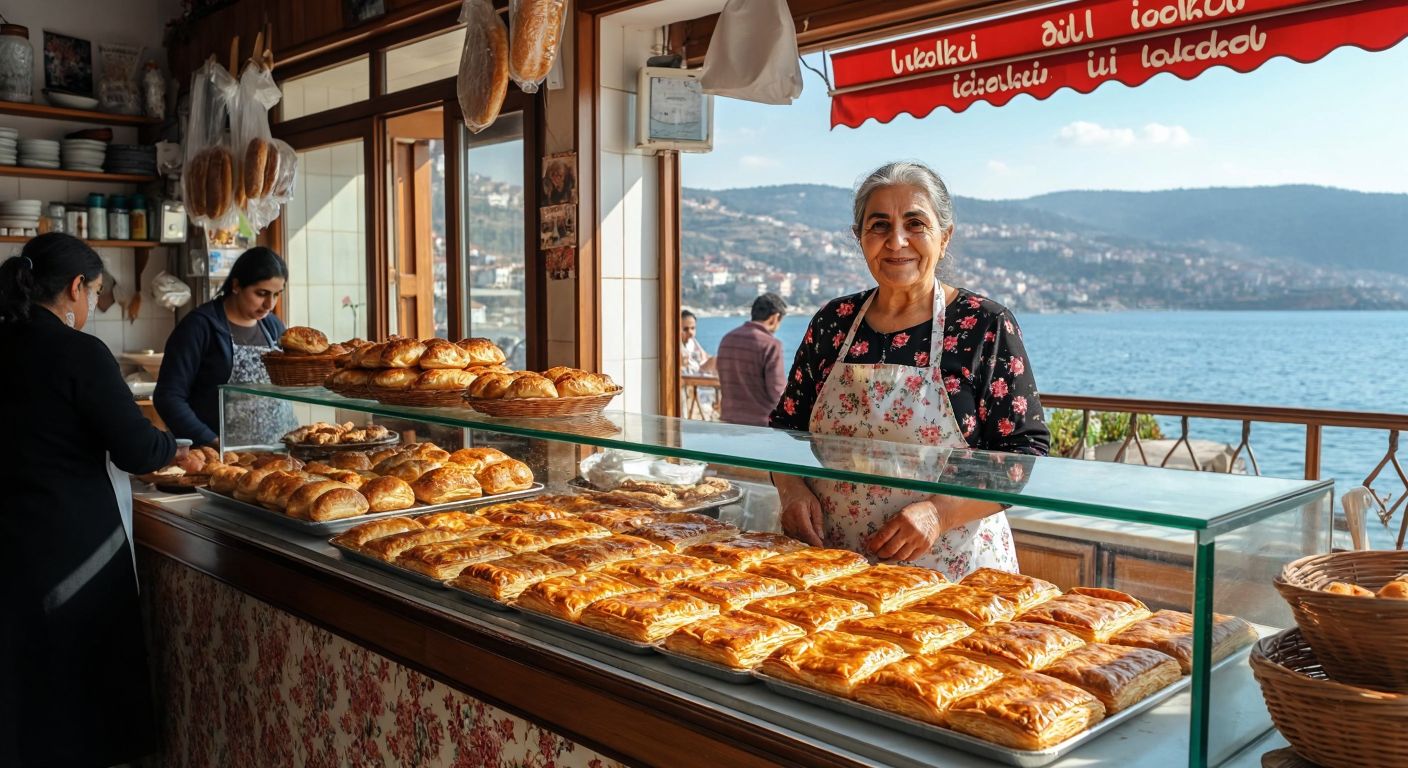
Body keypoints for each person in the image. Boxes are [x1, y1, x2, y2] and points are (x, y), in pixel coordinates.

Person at [769, 161, 1050, 581]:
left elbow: (1021, 455)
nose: (896, 241)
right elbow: (785, 428)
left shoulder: (983, 324)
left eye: (915, 224)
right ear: (859, 237)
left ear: (944, 236)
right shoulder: (833, 321)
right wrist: (791, 490)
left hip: (951, 573)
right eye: (878, 226)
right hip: (835, 566)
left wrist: (940, 512)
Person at [0, 233, 198, 766]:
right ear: (74, 288)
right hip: (71, 541)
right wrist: (175, 449)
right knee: (77, 676)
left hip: (12, 534)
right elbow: (136, 448)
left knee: (21, 678)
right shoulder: (78, 351)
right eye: (93, 291)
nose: (90, 303)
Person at [155, 246, 296, 448]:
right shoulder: (199, 326)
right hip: (222, 456)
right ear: (237, 285)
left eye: (276, 295)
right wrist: (211, 441)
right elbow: (168, 397)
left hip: (277, 451)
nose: (269, 304)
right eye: (261, 293)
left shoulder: (273, 326)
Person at [715, 293, 788, 427]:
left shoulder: (727, 339)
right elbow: (777, 393)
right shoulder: (771, 345)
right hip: (760, 425)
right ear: (775, 318)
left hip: (728, 422)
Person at [680, 309, 715, 375]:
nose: (691, 333)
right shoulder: (675, 347)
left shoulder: (691, 341)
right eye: (685, 329)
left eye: (693, 328)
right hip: (693, 378)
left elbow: (705, 356)